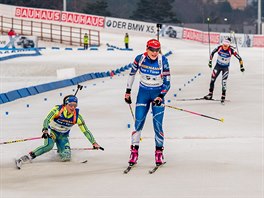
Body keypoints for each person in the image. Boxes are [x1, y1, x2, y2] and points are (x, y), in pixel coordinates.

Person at [16, 95, 102, 168]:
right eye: (70, 105)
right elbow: (47, 120)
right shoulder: (57, 110)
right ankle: (26, 157)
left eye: (75, 105)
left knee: (66, 157)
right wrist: (45, 130)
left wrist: (94, 142)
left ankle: (60, 151)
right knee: (48, 146)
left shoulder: (77, 117)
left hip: (63, 136)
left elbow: (85, 131)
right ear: (65, 105)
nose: (73, 108)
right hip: (52, 132)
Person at [124, 39, 171, 166]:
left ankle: (159, 153)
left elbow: (167, 82)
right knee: (138, 123)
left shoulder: (163, 61)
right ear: (147, 48)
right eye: (152, 49)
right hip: (143, 94)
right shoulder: (140, 58)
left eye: (157, 50)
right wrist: (127, 92)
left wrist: (161, 96)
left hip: (157, 94)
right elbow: (132, 74)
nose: (154, 53)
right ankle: (134, 152)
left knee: (157, 125)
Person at [204, 37, 245, 103]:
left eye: (226, 46)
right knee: (212, 80)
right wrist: (210, 61)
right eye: (224, 45)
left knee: (224, 82)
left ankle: (223, 95)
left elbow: (240, 58)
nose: (224, 47)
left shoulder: (231, 50)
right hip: (217, 66)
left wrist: (241, 66)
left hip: (225, 68)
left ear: (228, 45)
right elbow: (212, 53)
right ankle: (210, 94)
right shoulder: (219, 47)